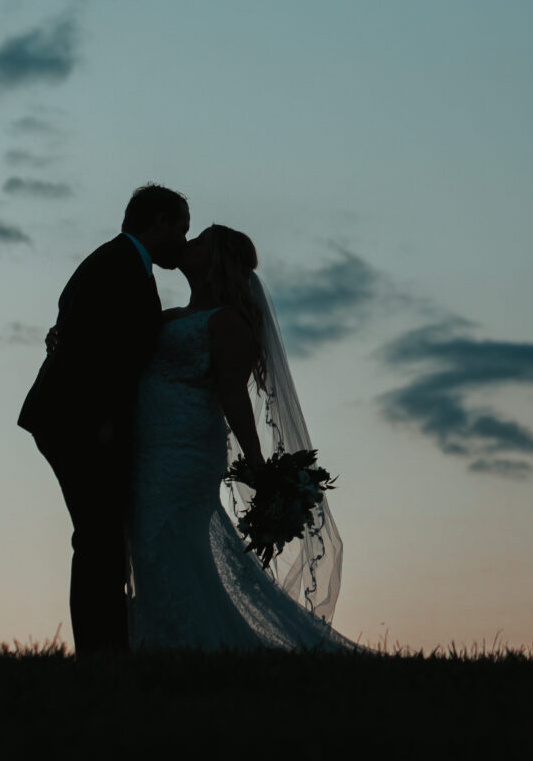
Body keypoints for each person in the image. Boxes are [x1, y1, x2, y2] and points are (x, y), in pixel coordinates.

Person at [126, 222, 360, 650]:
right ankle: (165, 642)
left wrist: (257, 465)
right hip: (148, 449)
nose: (187, 242)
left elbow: (233, 396)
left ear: (215, 261)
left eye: (198, 242)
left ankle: (189, 645)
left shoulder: (229, 323)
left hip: (187, 451)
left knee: (169, 542)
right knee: (150, 545)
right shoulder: (169, 317)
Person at [18, 183, 190, 655]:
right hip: (76, 419)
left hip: (70, 416)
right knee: (99, 539)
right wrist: (102, 418)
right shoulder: (117, 265)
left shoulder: (119, 262)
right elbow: (91, 347)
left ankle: (106, 649)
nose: (182, 241)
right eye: (181, 228)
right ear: (159, 222)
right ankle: (102, 652)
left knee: (99, 538)